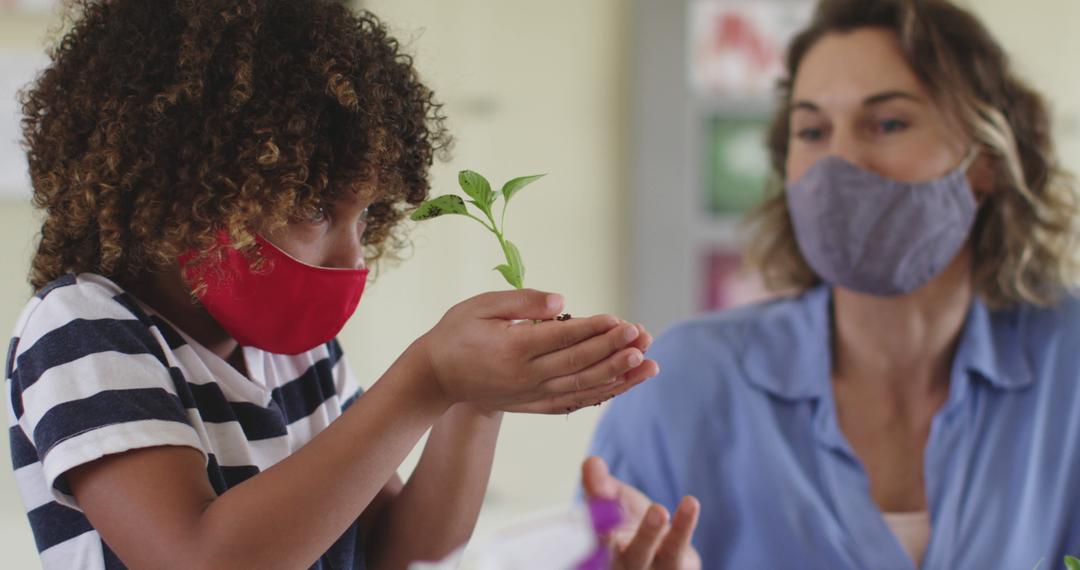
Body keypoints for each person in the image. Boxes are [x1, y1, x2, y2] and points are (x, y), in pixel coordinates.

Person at [2, 1, 685, 568]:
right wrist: (424, 382)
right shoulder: (82, 328)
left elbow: (394, 554)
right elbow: (202, 560)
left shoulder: (294, 351)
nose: (352, 256)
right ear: (178, 182)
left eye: (368, 215)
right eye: (314, 208)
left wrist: (473, 403)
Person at [584, 0, 1080, 568]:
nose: (838, 162)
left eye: (888, 122)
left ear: (986, 158)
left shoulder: (1070, 362)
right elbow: (594, 548)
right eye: (813, 130)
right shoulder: (683, 383)